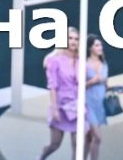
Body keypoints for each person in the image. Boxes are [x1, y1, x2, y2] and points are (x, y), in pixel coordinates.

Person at [36, 19, 83, 158]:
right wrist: (55, 108)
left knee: (77, 144)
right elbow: (52, 86)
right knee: (55, 144)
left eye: (76, 39)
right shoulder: (54, 60)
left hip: (77, 106)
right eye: (70, 38)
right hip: (61, 105)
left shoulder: (81, 60)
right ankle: (41, 156)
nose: (73, 41)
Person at [81, 38, 112, 157]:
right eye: (96, 45)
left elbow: (105, 83)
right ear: (90, 47)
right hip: (87, 103)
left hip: (99, 104)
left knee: (89, 137)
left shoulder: (104, 63)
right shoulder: (84, 64)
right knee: (98, 138)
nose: (100, 47)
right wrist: (93, 81)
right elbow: (77, 86)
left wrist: (111, 88)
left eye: (100, 45)